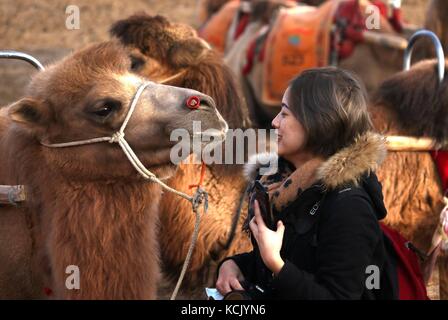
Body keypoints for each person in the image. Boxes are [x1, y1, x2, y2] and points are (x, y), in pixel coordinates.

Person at [216, 67, 397, 299]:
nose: (274, 122)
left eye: (284, 113)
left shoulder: (350, 207)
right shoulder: (285, 185)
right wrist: (234, 265)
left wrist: (278, 265)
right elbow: (288, 259)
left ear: (317, 122)